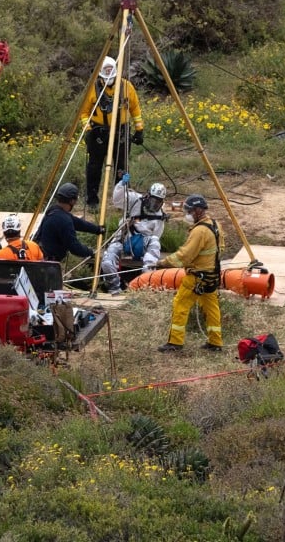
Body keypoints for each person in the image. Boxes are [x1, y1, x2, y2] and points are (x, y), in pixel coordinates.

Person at [155, 194, 225, 353]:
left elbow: (185, 255)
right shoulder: (216, 225)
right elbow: (220, 249)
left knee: (180, 304)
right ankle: (216, 342)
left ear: (198, 210)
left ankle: (175, 342)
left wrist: (163, 263)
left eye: (189, 211)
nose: (187, 214)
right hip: (212, 277)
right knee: (211, 308)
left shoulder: (199, 231)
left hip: (197, 278)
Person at [78, 56, 145, 206]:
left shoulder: (127, 87)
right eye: (105, 76)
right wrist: (88, 130)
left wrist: (139, 129)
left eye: (112, 76)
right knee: (94, 167)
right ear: (100, 75)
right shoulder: (93, 89)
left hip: (121, 132)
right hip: (98, 133)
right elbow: (83, 113)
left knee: (122, 167)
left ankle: (120, 200)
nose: (109, 79)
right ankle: (92, 200)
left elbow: (135, 109)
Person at [101, 173, 166, 295]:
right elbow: (117, 200)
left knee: (154, 244)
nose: (154, 204)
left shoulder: (160, 217)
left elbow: (156, 235)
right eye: (153, 200)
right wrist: (122, 184)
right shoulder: (135, 200)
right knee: (107, 262)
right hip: (124, 239)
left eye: (158, 202)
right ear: (148, 196)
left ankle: (145, 285)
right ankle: (115, 288)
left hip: (142, 244)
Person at [34, 182, 105, 263]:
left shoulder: (54, 211)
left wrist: (97, 229)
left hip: (40, 256)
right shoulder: (63, 219)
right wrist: (91, 252)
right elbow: (74, 248)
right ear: (72, 201)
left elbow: (78, 223)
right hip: (48, 263)